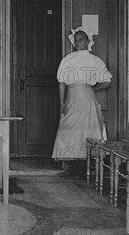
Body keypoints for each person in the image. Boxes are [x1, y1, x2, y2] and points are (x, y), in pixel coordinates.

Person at [52, 27, 112, 178]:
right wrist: (61, 103)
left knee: (87, 131)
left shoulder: (95, 60)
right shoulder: (68, 59)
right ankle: (70, 168)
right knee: (69, 131)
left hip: (88, 100)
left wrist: (90, 88)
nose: (78, 42)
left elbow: (107, 82)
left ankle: (85, 169)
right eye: (76, 40)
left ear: (88, 41)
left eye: (81, 39)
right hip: (71, 98)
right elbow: (61, 83)